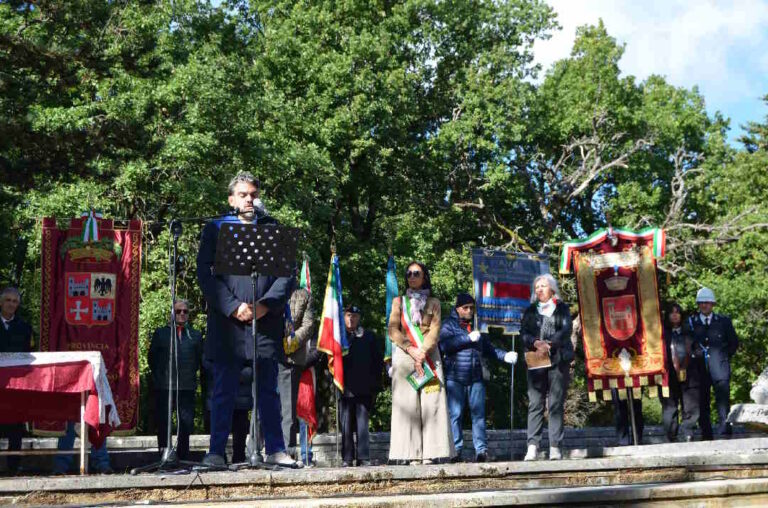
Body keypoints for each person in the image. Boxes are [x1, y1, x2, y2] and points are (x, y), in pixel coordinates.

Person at [196, 171, 297, 468]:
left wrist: (264, 305)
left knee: (268, 389)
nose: (249, 199)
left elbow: (286, 275)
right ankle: (216, 452)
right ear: (231, 199)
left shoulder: (273, 229)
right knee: (223, 389)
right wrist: (232, 306)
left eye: (252, 194)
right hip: (227, 324)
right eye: (242, 195)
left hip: (264, 322)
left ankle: (276, 450)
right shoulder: (215, 229)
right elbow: (205, 273)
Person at [387, 261, 454, 465]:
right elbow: (393, 330)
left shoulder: (434, 302)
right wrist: (411, 349)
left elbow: (435, 329)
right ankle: (409, 454)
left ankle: (432, 453)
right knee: (406, 405)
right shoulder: (398, 302)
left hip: (429, 355)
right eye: (409, 273)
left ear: (424, 276)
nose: (412, 276)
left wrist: (423, 351)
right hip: (406, 354)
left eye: (417, 273)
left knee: (432, 402)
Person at [439, 293, 517, 462]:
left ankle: (481, 451)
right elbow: (445, 346)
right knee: (455, 415)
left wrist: (504, 356)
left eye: (471, 308)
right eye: (465, 308)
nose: (469, 311)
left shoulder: (478, 326)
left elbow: (488, 349)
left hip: (476, 376)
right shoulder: (448, 324)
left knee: (479, 415)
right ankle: (455, 450)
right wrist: (466, 338)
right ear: (458, 308)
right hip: (455, 376)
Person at [521, 274, 573, 461]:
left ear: (552, 289)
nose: (539, 290)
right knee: (535, 403)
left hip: (557, 359)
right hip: (536, 359)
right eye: (537, 287)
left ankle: (555, 446)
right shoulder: (530, 310)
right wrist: (535, 342)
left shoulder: (562, 308)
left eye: (543, 286)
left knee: (555, 404)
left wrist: (550, 343)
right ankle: (532, 446)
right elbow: (524, 333)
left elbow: (566, 330)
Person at [148, 299, 203, 461]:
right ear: (172, 313)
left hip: (187, 386)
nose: (182, 314)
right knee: (164, 422)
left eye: (185, 311)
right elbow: (152, 358)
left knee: (185, 423)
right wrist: (160, 376)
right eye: (178, 311)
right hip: (165, 386)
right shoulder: (161, 333)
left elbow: (200, 359)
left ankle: (183, 456)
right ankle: (164, 455)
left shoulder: (195, 335)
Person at [689, 287, 739, 439]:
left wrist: (723, 356)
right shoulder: (692, 322)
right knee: (703, 402)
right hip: (700, 369)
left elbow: (734, 343)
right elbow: (688, 344)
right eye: (701, 303)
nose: (705, 305)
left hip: (720, 368)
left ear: (713, 304)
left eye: (708, 302)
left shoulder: (723, 321)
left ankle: (725, 430)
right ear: (698, 304)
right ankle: (706, 433)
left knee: (723, 402)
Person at [339, 304, 383, 467]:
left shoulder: (368, 336)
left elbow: (377, 362)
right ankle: (347, 458)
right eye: (348, 315)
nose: (351, 319)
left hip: (364, 387)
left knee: (362, 424)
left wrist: (376, 384)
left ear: (359, 318)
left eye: (355, 316)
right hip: (344, 387)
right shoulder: (338, 337)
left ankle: (363, 457)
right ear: (344, 317)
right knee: (346, 424)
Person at [279, 286, 315, 459]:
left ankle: (288, 451)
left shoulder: (304, 295)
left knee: (288, 410)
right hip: (268, 354)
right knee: (259, 408)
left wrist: (290, 343)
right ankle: (254, 450)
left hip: (292, 359)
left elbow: (308, 326)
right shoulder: (267, 286)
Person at [0, 287, 32, 474]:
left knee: (15, 427)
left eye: (14, 301)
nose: (11, 304)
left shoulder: (24, 328)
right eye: (8, 300)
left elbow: (29, 355)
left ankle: (14, 466)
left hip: (16, 385)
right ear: (1, 302)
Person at [660, 302, 698, 442]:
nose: (675, 315)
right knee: (670, 407)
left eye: (677, 312)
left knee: (690, 405)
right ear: (667, 315)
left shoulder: (689, 331)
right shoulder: (661, 334)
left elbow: (697, 349)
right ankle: (671, 435)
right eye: (672, 312)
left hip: (689, 374)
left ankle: (688, 432)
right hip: (668, 375)